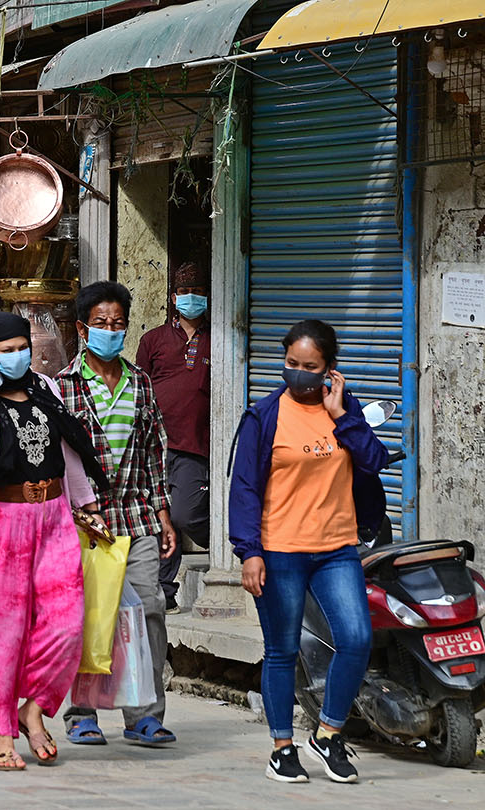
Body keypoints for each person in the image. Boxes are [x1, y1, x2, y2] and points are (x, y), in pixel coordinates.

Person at [0, 313, 110, 771]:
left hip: (53, 517)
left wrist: (87, 505)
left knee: (65, 623)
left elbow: (67, 454)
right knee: (1, 632)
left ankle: (32, 710)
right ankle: (2, 732)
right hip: (0, 525)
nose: (18, 355)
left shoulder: (47, 389)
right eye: (6, 349)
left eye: (23, 346)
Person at [229, 319, 386, 785]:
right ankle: (282, 747)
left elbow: (373, 461)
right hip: (280, 552)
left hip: (336, 548)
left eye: (310, 366)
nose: (298, 373)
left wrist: (343, 416)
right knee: (282, 650)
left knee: (357, 639)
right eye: (291, 364)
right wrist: (249, 552)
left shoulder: (344, 408)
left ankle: (328, 733)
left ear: (330, 370)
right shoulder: (264, 416)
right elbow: (245, 488)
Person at [56, 281, 178, 747]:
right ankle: (82, 713)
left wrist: (162, 510)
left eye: (118, 323)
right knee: (90, 615)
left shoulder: (140, 383)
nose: (110, 331)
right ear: (82, 328)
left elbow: (153, 451)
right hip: (84, 520)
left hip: (136, 515)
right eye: (101, 323)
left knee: (149, 610)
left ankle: (144, 714)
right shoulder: (63, 387)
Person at [136, 262, 211, 613]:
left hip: (196, 445)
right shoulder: (153, 340)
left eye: (197, 290)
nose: (191, 297)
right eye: (184, 292)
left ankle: (230, 540)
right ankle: (164, 591)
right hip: (155, 444)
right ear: (173, 297)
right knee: (157, 519)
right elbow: (141, 390)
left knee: (183, 515)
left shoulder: (218, 337)